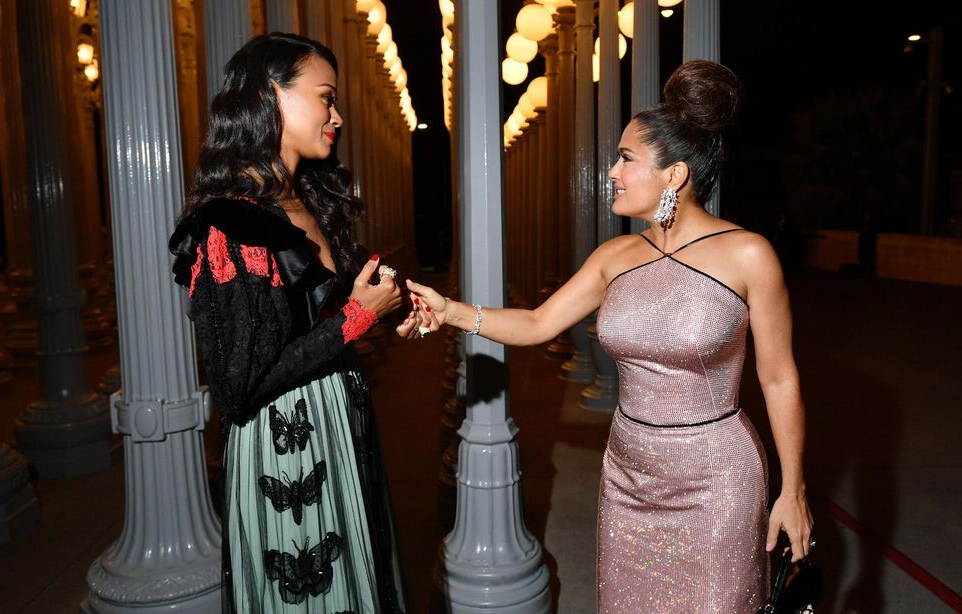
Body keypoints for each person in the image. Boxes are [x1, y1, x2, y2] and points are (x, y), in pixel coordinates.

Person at [403, 61, 813, 612]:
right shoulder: (614, 258)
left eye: (625, 159)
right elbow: (538, 323)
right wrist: (449, 309)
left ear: (675, 175)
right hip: (627, 474)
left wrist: (793, 491)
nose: (611, 173)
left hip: (717, 478)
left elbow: (779, 376)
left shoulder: (748, 254)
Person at [168, 33, 407, 612]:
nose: (337, 115)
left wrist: (375, 304)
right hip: (285, 449)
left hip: (338, 422)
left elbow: (310, 324)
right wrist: (355, 318)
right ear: (270, 96)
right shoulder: (229, 224)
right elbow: (240, 385)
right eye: (325, 97)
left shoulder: (307, 199)